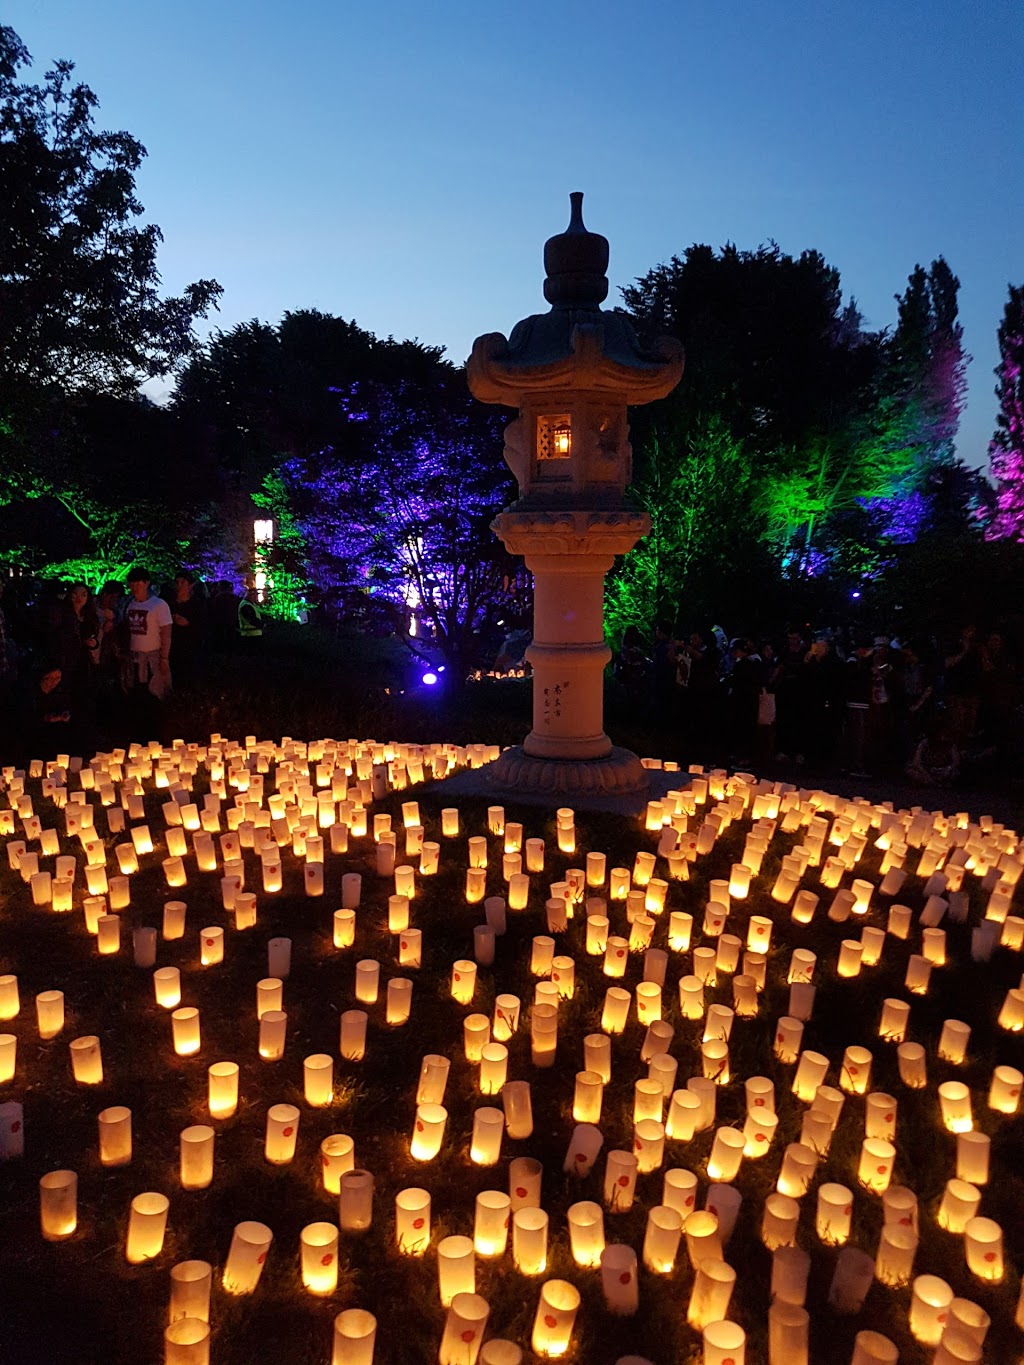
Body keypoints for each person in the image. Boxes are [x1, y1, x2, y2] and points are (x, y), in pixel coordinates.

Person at [124, 566, 173, 701]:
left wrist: (164, 658)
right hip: (134, 656)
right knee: (136, 692)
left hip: (153, 657)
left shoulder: (159, 605)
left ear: (146, 583)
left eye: (138, 583)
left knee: (155, 692)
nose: (134, 587)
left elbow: (166, 634)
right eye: (132, 583)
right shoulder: (129, 605)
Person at [168, 570, 206, 690]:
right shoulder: (170, 604)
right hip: (173, 649)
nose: (179, 586)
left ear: (190, 585)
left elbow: (203, 628)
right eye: (177, 582)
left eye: (182, 582)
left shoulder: (198, 605)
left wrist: (188, 624)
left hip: (191, 650)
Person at [238, 580, 264, 645]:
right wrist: (262, 625)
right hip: (250, 635)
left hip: (252, 633)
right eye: (255, 595)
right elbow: (251, 619)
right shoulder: (246, 605)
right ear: (251, 595)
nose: (256, 597)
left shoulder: (250, 604)